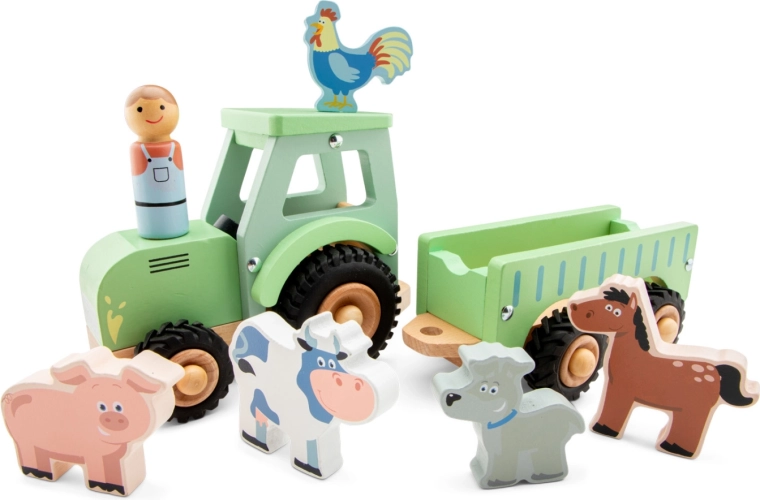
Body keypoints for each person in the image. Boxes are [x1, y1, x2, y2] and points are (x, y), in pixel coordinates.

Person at [124, 85, 189, 239]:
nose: (154, 114)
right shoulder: (138, 150)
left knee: (175, 216)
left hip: (176, 206)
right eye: (139, 110)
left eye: (162, 107)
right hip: (148, 211)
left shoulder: (174, 147)